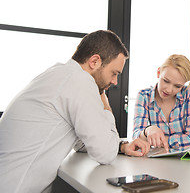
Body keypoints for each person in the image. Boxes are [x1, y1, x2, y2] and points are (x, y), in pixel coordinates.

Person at [0, 30, 150, 193]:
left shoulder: (60, 73)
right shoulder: (80, 81)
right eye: (114, 73)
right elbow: (105, 154)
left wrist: (122, 146)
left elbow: (81, 142)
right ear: (95, 61)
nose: (114, 81)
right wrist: (106, 106)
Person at [132, 54, 190, 152]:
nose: (169, 90)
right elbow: (137, 137)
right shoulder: (144, 96)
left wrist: (160, 141)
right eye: (166, 81)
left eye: (177, 86)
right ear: (159, 73)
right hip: (165, 154)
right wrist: (148, 130)